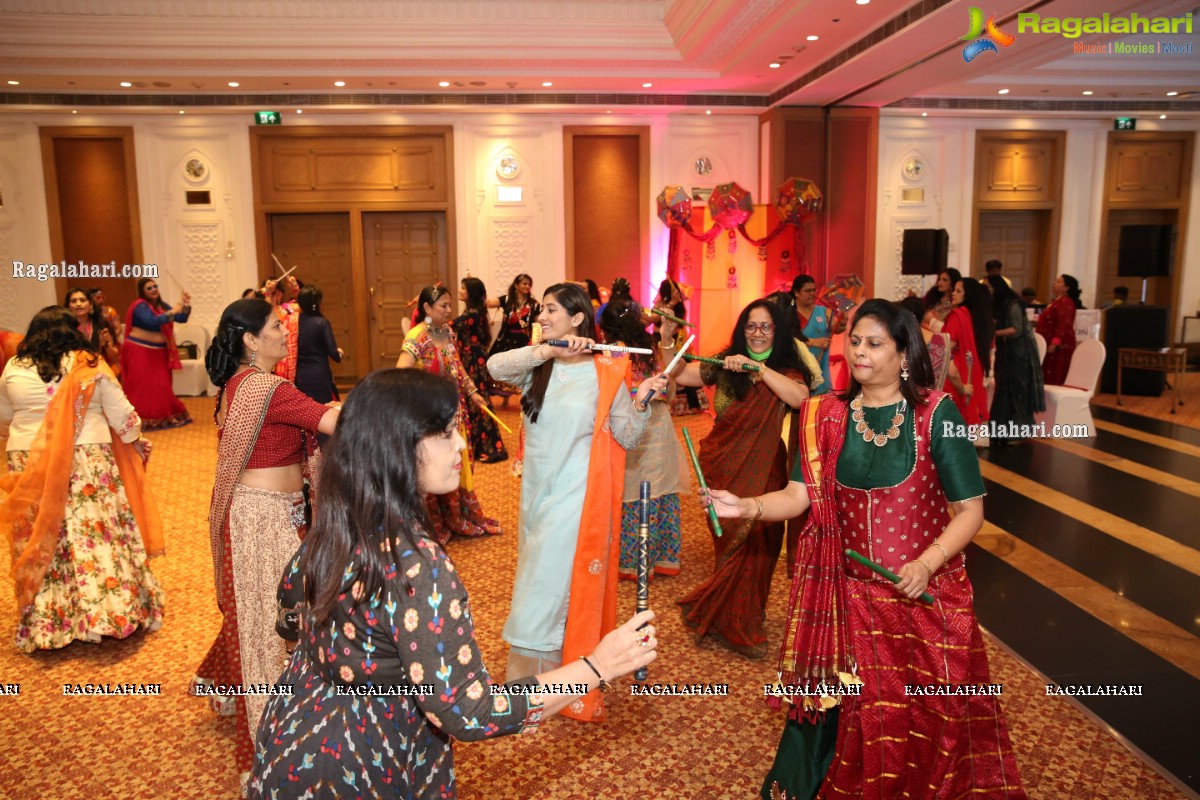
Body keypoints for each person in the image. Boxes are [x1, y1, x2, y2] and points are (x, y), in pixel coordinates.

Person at [247, 369, 659, 799]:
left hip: (295, 728)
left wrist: (349, 661)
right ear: (398, 447)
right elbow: (472, 710)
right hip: (363, 758)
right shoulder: (416, 566)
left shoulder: (341, 514)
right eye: (445, 433)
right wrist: (596, 668)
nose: (461, 444)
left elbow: (290, 608)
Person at [706, 299, 1026, 800]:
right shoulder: (825, 415)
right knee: (860, 717)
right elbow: (798, 496)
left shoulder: (936, 414)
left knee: (931, 718)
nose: (859, 352)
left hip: (926, 599)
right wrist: (745, 506)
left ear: (904, 354)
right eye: (854, 341)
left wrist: (926, 562)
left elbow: (970, 513)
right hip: (850, 602)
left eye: (874, 343)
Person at [487, 283, 667, 721]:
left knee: (542, 588)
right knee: (545, 582)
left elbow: (625, 435)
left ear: (578, 318)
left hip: (577, 497)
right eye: (542, 310)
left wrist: (642, 402)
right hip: (536, 494)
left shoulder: (607, 370)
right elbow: (494, 367)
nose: (542, 316)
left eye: (551, 310)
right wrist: (548, 350)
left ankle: (534, 691)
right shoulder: (538, 366)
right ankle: (562, 679)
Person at [192, 298, 340, 783]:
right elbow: (331, 424)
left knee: (259, 610)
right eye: (277, 326)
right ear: (251, 340)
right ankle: (277, 738)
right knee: (277, 625)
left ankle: (222, 682)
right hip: (265, 518)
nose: (285, 332)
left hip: (258, 513)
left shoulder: (237, 386)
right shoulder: (268, 388)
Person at [0, 307, 164, 652]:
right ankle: (108, 614)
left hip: (27, 460)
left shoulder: (14, 366)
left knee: (43, 536)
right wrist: (135, 437)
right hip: (84, 457)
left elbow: (3, 415)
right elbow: (123, 415)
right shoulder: (88, 363)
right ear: (73, 331)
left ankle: (48, 621)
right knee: (92, 533)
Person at [671, 298, 810, 658]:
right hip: (722, 464)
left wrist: (757, 369)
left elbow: (800, 399)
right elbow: (681, 374)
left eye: (766, 327)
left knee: (760, 544)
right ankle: (724, 615)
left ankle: (745, 623)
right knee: (728, 541)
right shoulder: (724, 362)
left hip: (765, 469)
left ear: (777, 332)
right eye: (751, 326)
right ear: (741, 329)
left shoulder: (785, 371)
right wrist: (671, 343)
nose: (758, 333)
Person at [397, 284, 501, 540]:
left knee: (459, 463)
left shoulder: (447, 331)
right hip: (431, 414)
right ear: (427, 308)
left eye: (449, 304)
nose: (449, 309)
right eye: (443, 305)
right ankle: (434, 523)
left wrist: (472, 391)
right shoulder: (417, 337)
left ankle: (456, 517)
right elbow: (401, 372)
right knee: (435, 466)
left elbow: (457, 366)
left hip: (454, 410)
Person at [598, 297, 686, 580]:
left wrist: (667, 340)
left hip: (636, 425)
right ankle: (659, 557)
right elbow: (668, 389)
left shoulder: (618, 352)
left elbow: (609, 395)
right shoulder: (643, 350)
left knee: (636, 488)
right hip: (655, 424)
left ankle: (633, 561)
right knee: (653, 486)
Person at [119, 277, 193, 430]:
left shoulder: (161, 305)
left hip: (158, 353)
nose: (153, 290)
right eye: (149, 288)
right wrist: (172, 311)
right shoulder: (140, 306)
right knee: (141, 387)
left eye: (155, 286)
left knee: (161, 386)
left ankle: (161, 416)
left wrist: (185, 304)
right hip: (139, 351)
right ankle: (141, 418)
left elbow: (181, 318)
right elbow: (151, 321)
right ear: (143, 292)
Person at [453, 277, 508, 463]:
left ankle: (492, 449)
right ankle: (478, 448)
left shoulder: (472, 315)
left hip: (473, 363)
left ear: (472, 293)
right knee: (473, 404)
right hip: (472, 360)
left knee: (479, 404)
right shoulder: (473, 312)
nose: (459, 291)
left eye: (463, 288)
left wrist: (425, 314)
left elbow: (446, 327)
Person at [988, 276, 1045, 444]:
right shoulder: (1004, 304)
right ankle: (1001, 431)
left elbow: (1016, 329)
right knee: (1004, 391)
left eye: (991, 288)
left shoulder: (1012, 304)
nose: (989, 291)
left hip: (1018, 355)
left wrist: (992, 333)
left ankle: (1017, 432)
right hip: (1008, 353)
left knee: (1016, 393)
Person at [650, 277, 710, 415]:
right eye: (672, 290)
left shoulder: (679, 306)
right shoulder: (659, 305)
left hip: (680, 340)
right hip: (662, 342)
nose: (675, 292)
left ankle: (692, 406)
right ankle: (668, 406)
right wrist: (671, 304)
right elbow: (654, 318)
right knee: (669, 371)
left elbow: (681, 323)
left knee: (684, 369)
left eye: (676, 289)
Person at [943, 277, 989, 429]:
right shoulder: (972, 315)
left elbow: (949, 344)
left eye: (958, 291)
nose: (953, 294)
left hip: (954, 368)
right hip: (969, 366)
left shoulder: (956, 315)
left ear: (967, 295)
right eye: (954, 290)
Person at [792, 274, 844, 390]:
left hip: (820, 366)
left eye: (814, 290)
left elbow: (836, 328)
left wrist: (843, 321)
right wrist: (814, 342)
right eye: (808, 291)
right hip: (798, 366)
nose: (813, 294)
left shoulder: (824, 311)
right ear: (796, 292)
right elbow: (789, 339)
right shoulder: (790, 313)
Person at [293, 285, 342, 405]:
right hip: (320, 374)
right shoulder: (322, 323)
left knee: (306, 410)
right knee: (324, 410)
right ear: (317, 302)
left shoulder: (293, 322)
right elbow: (334, 354)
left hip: (300, 375)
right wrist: (339, 353)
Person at [1036, 274, 1081, 386]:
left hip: (1057, 345)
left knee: (1054, 372)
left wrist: (1055, 342)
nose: (1054, 283)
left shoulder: (1066, 302)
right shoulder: (1055, 302)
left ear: (1066, 288)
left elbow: (1064, 324)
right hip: (1047, 342)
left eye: (1059, 282)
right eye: (1055, 281)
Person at [65, 286, 121, 376]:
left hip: (101, 373)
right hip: (74, 375)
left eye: (82, 300)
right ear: (68, 306)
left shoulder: (101, 324)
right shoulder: (64, 327)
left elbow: (115, 357)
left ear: (90, 304)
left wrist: (106, 345)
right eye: (73, 301)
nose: (78, 304)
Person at [263, 275, 301, 382]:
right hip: (273, 357)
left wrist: (294, 289)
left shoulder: (288, 308)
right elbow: (265, 312)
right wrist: (269, 293)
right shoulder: (267, 312)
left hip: (294, 359)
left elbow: (304, 306)